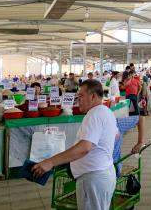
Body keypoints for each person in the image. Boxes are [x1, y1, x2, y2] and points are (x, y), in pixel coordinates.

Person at [32, 80, 118, 210]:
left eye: (81, 96)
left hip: (93, 178)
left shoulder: (94, 114)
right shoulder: (106, 111)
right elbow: (115, 136)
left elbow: (85, 148)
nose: (78, 100)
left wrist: (50, 162)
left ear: (93, 96)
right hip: (102, 174)